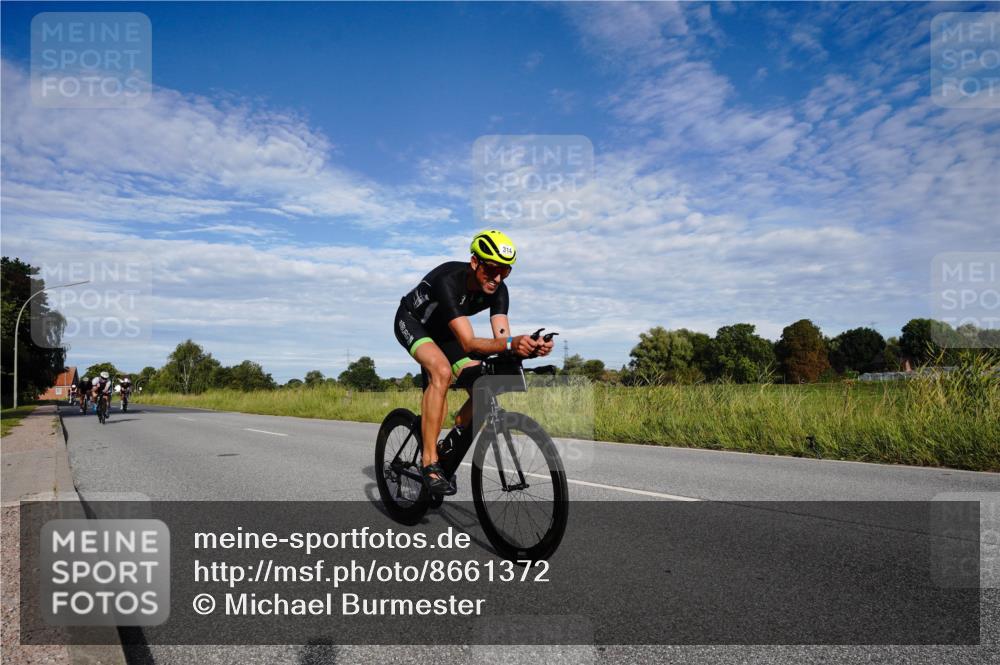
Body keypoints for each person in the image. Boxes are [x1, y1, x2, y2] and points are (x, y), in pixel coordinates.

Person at [393, 230, 554, 495]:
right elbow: (468, 343)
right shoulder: (448, 280)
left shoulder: (499, 290)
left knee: (483, 383)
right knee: (441, 372)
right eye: (491, 269)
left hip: (446, 333)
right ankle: (429, 462)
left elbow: (503, 340)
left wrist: (529, 348)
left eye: (505, 271)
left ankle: (451, 439)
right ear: (475, 262)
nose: (497, 278)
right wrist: (512, 343)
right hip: (413, 321)